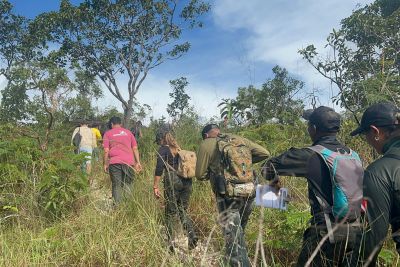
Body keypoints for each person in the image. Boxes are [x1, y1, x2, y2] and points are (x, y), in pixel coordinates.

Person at [262, 106, 364, 267]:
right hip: (356, 231)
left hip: (326, 233)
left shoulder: (308, 155)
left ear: (314, 129)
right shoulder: (353, 154)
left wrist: (275, 186)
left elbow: (267, 166)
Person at [195, 123, 269, 266]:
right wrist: (244, 165)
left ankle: (239, 263)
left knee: (233, 237)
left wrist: (212, 173)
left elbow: (199, 174)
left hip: (227, 195)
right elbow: (265, 153)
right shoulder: (238, 139)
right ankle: (235, 259)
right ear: (218, 131)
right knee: (239, 232)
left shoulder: (207, 143)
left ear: (205, 135)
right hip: (249, 191)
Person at [350, 102, 400, 266]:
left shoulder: (379, 172)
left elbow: (371, 240)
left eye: (365, 134)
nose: (367, 140)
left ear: (375, 132)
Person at [153, 130, 198, 251]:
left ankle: (170, 243)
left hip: (172, 179)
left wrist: (155, 186)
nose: (158, 143)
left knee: (170, 211)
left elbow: (159, 169)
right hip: (187, 181)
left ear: (161, 139)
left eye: (158, 141)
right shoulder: (179, 149)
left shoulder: (163, 149)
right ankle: (191, 234)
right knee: (182, 209)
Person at [103, 116, 142, 204]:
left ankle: (117, 208)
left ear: (112, 124)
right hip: (129, 162)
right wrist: (138, 162)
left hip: (114, 163)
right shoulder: (129, 133)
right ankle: (128, 206)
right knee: (128, 184)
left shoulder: (108, 133)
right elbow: (135, 148)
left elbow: (106, 150)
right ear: (120, 124)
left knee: (116, 186)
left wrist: (105, 164)